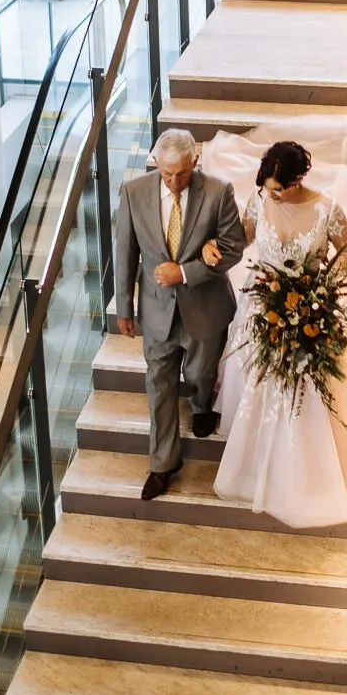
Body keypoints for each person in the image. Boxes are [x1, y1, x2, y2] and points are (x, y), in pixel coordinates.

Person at [206, 139, 347, 529]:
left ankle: (307, 458)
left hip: (307, 306)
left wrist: (321, 288)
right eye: (268, 188)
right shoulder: (259, 201)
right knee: (258, 380)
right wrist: (213, 246)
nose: (272, 195)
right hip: (262, 304)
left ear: (297, 180)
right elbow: (243, 237)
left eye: (278, 189)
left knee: (307, 383)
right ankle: (257, 456)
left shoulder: (326, 210)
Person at [114, 128, 246, 500]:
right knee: (159, 386)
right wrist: (124, 306)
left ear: (195, 161)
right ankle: (163, 464)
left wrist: (185, 272)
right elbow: (125, 252)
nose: (174, 181)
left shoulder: (219, 192)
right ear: (155, 161)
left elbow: (233, 248)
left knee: (201, 373)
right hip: (156, 311)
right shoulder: (134, 192)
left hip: (205, 307)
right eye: (167, 173)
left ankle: (202, 404)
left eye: (183, 173)